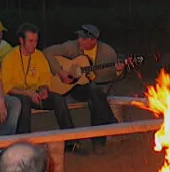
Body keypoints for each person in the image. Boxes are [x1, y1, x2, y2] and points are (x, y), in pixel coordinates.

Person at [44, 24, 127, 154]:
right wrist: (60, 72)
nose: (79, 41)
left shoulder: (107, 53)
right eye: (79, 37)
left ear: (94, 40)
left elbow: (111, 78)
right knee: (96, 95)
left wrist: (118, 71)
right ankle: (109, 125)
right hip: (73, 87)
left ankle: (98, 141)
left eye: (83, 39)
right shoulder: (72, 46)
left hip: (96, 88)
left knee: (95, 96)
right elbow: (47, 52)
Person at [0, 22, 71, 140]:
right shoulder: (9, 58)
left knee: (59, 100)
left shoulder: (39, 56)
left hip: (36, 93)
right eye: (30, 41)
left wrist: (44, 88)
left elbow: (45, 76)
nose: (34, 45)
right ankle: (25, 139)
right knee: (24, 101)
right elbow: (7, 87)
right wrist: (27, 93)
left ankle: (71, 139)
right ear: (21, 41)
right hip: (18, 95)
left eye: (36, 41)